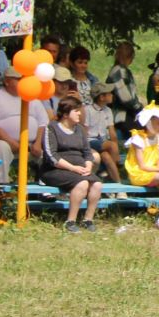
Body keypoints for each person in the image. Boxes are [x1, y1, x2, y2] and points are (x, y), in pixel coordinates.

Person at [39, 96, 104, 231]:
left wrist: (88, 166)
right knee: (82, 183)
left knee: (97, 184)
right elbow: (52, 156)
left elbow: (87, 152)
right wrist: (73, 168)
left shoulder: (79, 129)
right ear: (65, 114)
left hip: (79, 169)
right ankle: (70, 221)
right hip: (55, 170)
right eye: (76, 110)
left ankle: (88, 220)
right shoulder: (51, 128)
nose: (80, 113)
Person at [0, 67, 46, 184]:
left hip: (32, 144)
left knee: (49, 148)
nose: (22, 82)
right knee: (0, 146)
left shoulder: (32, 97)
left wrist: (38, 143)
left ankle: (45, 188)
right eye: (18, 79)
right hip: (5, 142)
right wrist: (14, 144)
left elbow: (43, 123)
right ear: (7, 81)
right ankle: (2, 186)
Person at [83, 80, 122, 182]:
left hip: (103, 141)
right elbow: (85, 131)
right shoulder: (87, 110)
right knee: (112, 145)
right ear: (101, 97)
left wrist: (115, 152)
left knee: (106, 156)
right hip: (91, 140)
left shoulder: (108, 111)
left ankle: (116, 184)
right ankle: (113, 175)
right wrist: (116, 152)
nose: (112, 95)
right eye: (109, 93)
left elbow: (112, 133)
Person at [104, 40, 142, 118]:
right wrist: (139, 107)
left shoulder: (123, 71)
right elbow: (125, 97)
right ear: (131, 57)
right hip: (119, 116)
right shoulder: (119, 72)